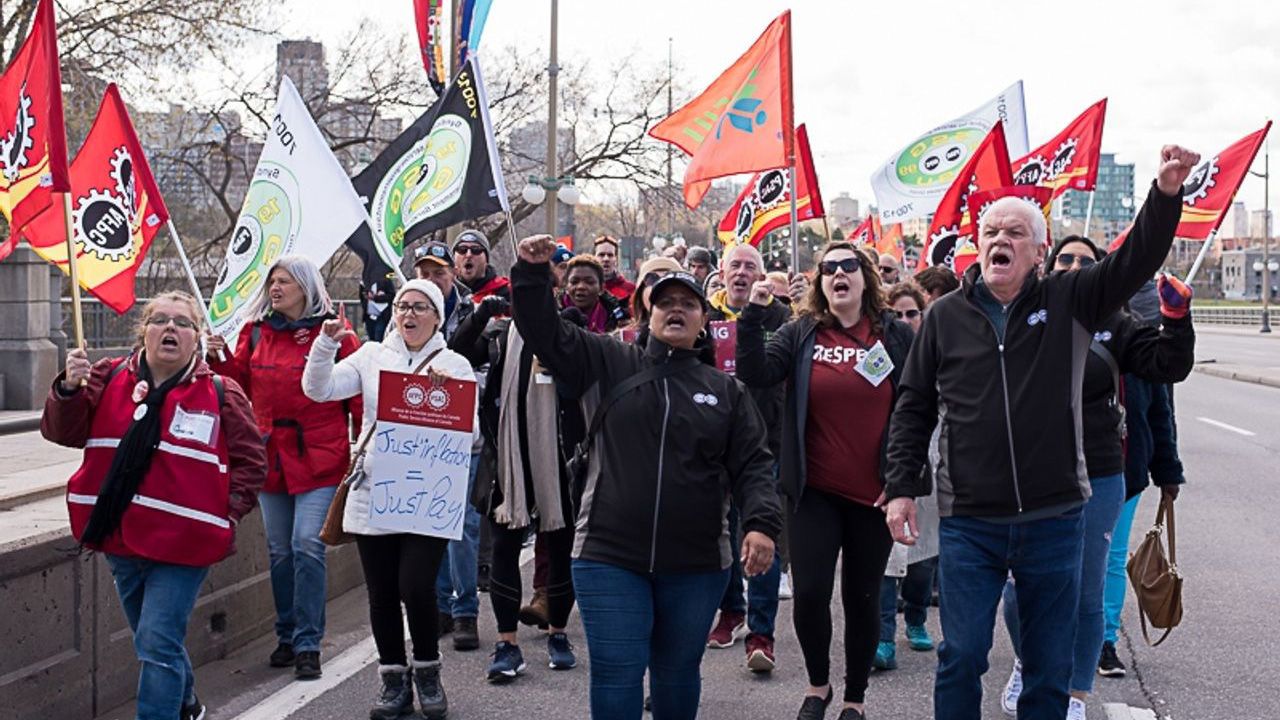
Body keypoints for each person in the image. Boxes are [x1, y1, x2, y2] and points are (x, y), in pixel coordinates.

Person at [882, 145, 1198, 720]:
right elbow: (913, 406)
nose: (1000, 238)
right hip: (969, 521)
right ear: (978, 245)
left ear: (1039, 251)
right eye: (990, 230)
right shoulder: (946, 317)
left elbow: (1135, 260)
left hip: (1053, 518)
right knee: (962, 655)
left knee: (1049, 671)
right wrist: (902, 486)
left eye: (1015, 232)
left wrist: (1165, 192)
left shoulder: (1070, 299)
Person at [511, 234, 783, 720]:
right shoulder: (609, 360)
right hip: (608, 555)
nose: (675, 310)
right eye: (664, 303)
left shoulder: (726, 391)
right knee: (617, 671)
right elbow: (544, 334)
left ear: (704, 320)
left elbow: (755, 464)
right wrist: (531, 276)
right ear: (646, 313)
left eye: (687, 303)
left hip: (697, 563)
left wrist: (761, 524)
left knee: (677, 673)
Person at [42, 291, 267, 720]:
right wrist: (68, 388)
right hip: (119, 537)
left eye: (182, 323)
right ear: (143, 331)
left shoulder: (220, 391)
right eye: (159, 320)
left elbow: (252, 463)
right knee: (153, 640)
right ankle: (186, 704)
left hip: (186, 544)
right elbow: (63, 432)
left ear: (196, 337)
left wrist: (225, 515)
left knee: (158, 638)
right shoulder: (107, 379)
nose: (170, 328)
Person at [998, 237, 1195, 719]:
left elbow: (1167, 370)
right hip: (1030, 475)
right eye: (1065, 259)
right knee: (1018, 587)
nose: (1074, 267)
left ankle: (1076, 693)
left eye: (1086, 261)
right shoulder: (1024, 317)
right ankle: (1028, 662)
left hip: (1102, 473)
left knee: (1087, 591)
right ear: (1047, 267)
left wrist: (1175, 319)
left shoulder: (1118, 325)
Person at [737, 242, 915, 720]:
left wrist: (901, 482)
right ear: (820, 282)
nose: (839, 273)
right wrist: (753, 316)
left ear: (865, 278)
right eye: (829, 268)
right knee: (811, 594)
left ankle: (855, 698)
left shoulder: (895, 337)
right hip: (812, 492)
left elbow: (917, 410)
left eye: (848, 266)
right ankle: (819, 687)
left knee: (862, 599)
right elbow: (756, 372)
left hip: (872, 496)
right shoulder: (801, 333)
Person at [302, 279, 478, 720]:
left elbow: (472, 434)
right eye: (403, 306)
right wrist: (324, 347)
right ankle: (393, 678)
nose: (410, 315)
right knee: (381, 593)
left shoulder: (454, 364)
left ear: (437, 316)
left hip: (427, 495)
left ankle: (427, 670)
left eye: (421, 307)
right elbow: (319, 390)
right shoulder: (372, 356)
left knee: (416, 586)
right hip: (374, 489)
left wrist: (443, 397)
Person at [206, 256, 361, 680]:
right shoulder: (256, 332)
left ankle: (309, 642)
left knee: (307, 545)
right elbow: (238, 384)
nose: (276, 288)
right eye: (272, 281)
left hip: (320, 456)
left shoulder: (335, 334)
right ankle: (287, 634)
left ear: (306, 287)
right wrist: (218, 358)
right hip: (270, 457)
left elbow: (359, 394)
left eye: (285, 281)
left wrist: (365, 446)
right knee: (279, 550)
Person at [704, 243, 790, 674]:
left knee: (760, 536)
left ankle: (762, 634)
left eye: (750, 267)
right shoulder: (704, 315)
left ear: (762, 275)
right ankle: (730, 611)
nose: (741, 272)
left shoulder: (782, 317)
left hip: (764, 446)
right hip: (709, 447)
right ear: (721, 272)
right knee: (717, 536)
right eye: (734, 265)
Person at [1099, 280, 1186, 679]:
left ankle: (1105, 641)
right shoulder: (1071, 332)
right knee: (1068, 561)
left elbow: (1160, 413)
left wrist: (1168, 472)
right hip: (1067, 471)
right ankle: (1056, 641)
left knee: (1113, 558)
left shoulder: (1142, 343)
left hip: (1126, 472)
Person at [412, 240, 484, 652]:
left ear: (452, 274)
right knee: (428, 522)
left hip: (465, 437)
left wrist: (457, 382)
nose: (431, 281)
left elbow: (487, 369)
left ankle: (465, 610)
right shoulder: (402, 316)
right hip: (419, 439)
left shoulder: (474, 312)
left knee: (464, 528)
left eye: (438, 273)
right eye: (423, 274)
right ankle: (438, 605)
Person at [876, 280, 939, 672]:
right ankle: (882, 636)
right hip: (884, 464)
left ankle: (915, 617)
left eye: (911, 314)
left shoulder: (939, 350)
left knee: (921, 557)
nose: (904, 320)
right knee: (885, 558)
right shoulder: (876, 354)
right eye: (896, 314)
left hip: (930, 462)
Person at [562, 254, 628, 333]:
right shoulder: (553, 313)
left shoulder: (618, 317)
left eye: (589, 282)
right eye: (574, 282)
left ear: (601, 287)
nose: (581, 287)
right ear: (566, 285)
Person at [454, 229, 511, 303]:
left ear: (486, 259)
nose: (468, 255)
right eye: (462, 249)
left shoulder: (507, 291)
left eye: (476, 250)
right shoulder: (445, 294)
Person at [595, 235, 636, 301]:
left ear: (616, 259)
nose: (606, 259)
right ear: (594, 258)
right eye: (601, 255)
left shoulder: (630, 290)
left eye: (610, 255)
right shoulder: (587, 289)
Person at [363, 277, 395, 341]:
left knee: (379, 338)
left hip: (381, 316)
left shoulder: (386, 280)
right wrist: (366, 294)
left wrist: (377, 298)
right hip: (369, 316)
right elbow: (363, 294)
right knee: (371, 339)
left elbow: (392, 296)